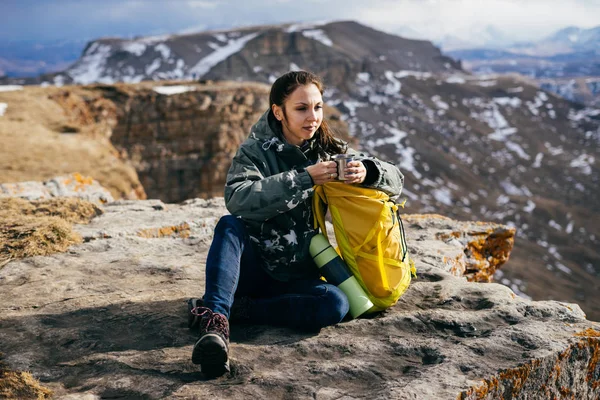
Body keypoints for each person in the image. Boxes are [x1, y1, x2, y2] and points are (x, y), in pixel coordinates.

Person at [188, 70, 404, 378]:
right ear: (279, 111)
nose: (312, 117)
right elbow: (238, 199)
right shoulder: (255, 151)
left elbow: (396, 181)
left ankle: (241, 310)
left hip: (298, 273)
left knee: (334, 305)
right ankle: (216, 325)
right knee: (228, 226)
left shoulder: (328, 149)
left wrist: (368, 171)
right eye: (301, 108)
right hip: (253, 267)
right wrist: (305, 178)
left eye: (317, 107)